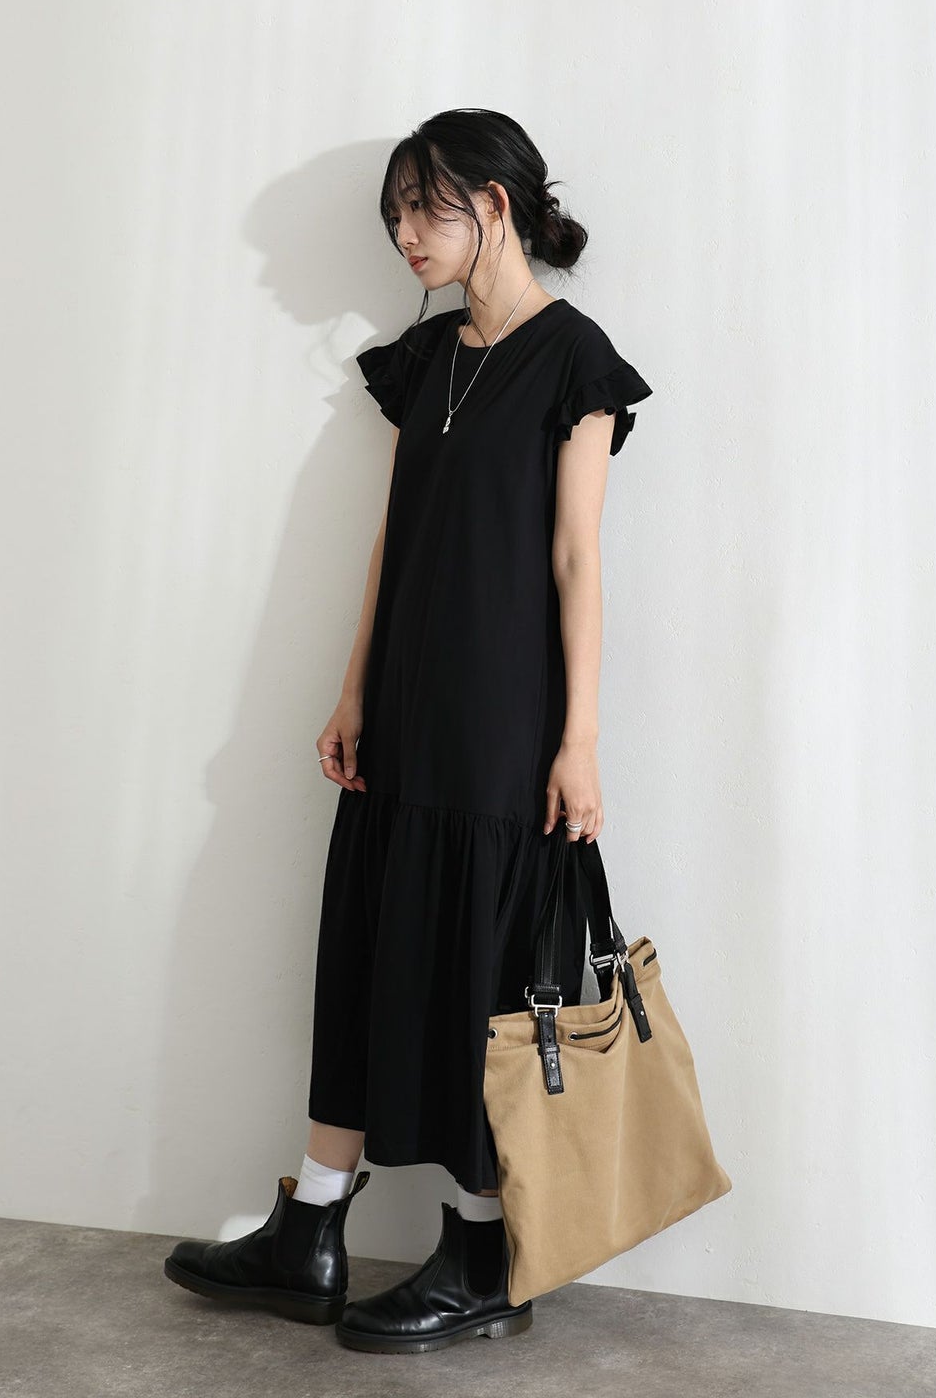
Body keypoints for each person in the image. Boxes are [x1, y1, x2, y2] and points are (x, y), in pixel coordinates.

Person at [164, 108, 652, 1355]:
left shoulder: (576, 360)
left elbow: (578, 558)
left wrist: (580, 739)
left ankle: (486, 1257)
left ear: (492, 204)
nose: (403, 236)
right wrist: (353, 689)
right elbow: (395, 535)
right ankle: (312, 1228)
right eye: (393, 215)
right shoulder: (429, 357)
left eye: (421, 209)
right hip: (404, 707)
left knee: (478, 975)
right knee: (369, 948)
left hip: (501, 718)